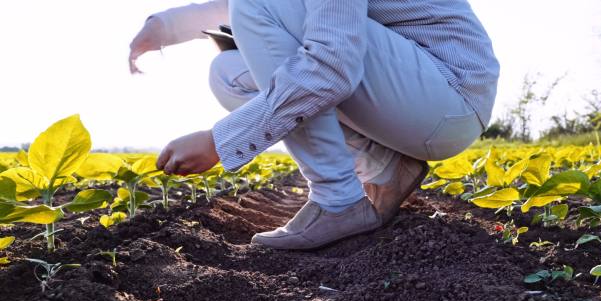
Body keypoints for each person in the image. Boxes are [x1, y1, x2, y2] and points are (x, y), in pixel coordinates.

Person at [130, 0, 499, 250]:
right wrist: (161, 28)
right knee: (230, 73)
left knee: (260, 5)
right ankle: (384, 165)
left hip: (450, 92)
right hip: (421, 94)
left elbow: (331, 65)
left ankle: (337, 198)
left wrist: (218, 141)